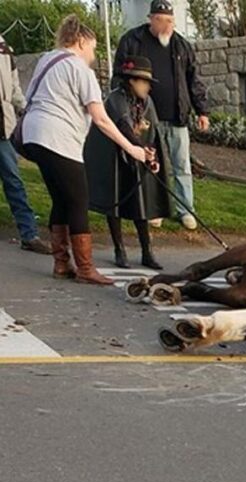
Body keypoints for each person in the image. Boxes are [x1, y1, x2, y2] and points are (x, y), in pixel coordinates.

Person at [21, 16, 150, 285]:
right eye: (92, 48)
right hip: (59, 138)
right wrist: (133, 149)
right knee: (79, 201)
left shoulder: (48, 59)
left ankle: (61, 263)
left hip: (34, 134)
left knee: (61, 199)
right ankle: (85, 268)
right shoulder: (80, 69)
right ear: (80, 41)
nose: (93, 55)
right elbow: (101, 118)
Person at [114, 0, 209, 230]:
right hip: (144, 118)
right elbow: (119, 77)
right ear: (151, 19)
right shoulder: (132, 41)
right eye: (162, 20)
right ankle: (154, 209)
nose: (167, 26)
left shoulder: (181, 45)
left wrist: (202, 111)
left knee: (181, 165)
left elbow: (193, 80)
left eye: (170, 21)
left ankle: (186, 209)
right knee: (151, 164)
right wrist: (124, 112)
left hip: (177, 116)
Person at [84, 56, 168, 270]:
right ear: (132, 80)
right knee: (116, 201)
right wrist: (139, 148)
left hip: (137, 155)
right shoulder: (115, 99)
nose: (148, 86)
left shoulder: (147, 102)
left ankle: (147, 251)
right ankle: (119, 249)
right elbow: (124, 126)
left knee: (142, 203)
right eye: (144, 81)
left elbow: (154, 133)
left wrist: (153, 156)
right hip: (113, 156)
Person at [0, 34, 51, 254]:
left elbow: (14, 89)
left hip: (4, 128)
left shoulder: (4, 50)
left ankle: (29, 234)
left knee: (14, 182)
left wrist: (24, 108)